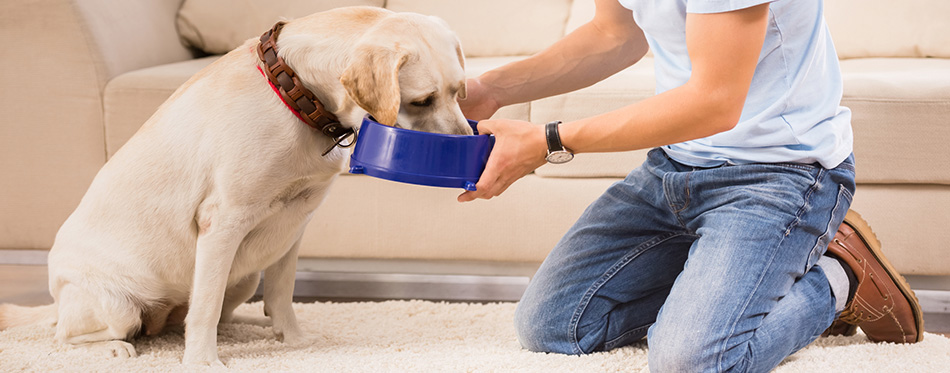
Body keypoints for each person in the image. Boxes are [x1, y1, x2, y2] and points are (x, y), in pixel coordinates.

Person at [457, 0, 923, 371]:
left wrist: (549, 140)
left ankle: (840, 277)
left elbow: (715, 102)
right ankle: (720, 280)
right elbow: (613, 34)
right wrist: (492, 90)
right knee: (551, 327)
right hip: (675, 165)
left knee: (693, 364)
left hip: (780, 174)